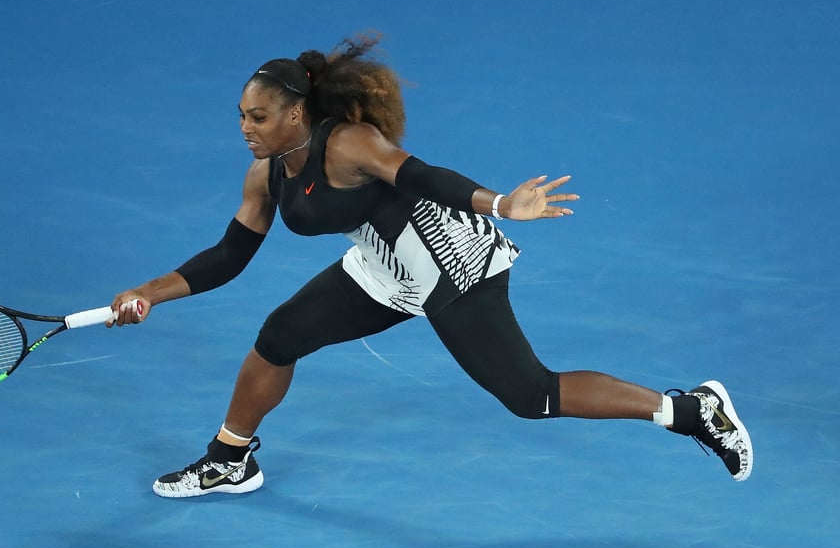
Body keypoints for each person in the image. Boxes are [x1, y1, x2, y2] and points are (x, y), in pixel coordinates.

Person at [108, 34, 753, 498]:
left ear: (296, 113)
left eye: (259, 116)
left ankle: (692, 410)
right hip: (383, 262)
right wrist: (148, 293)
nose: (247, 128)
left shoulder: (351, 144)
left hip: (449, 257)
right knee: (278, 337)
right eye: (242, 117)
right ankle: (230, 459)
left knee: (532, 395)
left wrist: (501, 203)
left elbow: (423, 176)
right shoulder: (265, 175)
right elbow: (229, 256)